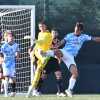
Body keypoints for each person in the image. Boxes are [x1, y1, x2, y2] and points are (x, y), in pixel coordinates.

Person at [41, 22, 100, 97]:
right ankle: (44, 53)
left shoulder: (84, 36)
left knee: (75, 74)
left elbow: (94, 39)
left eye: (78, 30)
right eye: (75, 29)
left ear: (81, 31)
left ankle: (69, 90)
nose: (76, 31)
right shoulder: (69, 35)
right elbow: (60, 43)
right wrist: (54, 46)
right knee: (58, 51)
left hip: (71, 57)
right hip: (64, 52)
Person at [26, 21, 65, 97]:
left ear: (57, 34)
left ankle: (60, 91)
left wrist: (59, 57)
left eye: (55, 33)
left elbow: (59, 51)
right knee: (43, 76)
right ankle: (36, 90)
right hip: (47, 60)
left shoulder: (57, 41)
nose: (54, 34)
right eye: (53, 32)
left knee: (59, 74)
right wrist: (32, 53)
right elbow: (37, 45)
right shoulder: (44, 36)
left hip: (54, 60)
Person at [1, 30, 20, 97]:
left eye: (12, 36)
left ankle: (13, 91)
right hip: (6, 64)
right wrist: (2, 59)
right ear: (7, 38)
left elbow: (17, 53)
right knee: (7, 77)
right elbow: (1, 54)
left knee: (13, 79)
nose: (11, 38)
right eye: (10, 36)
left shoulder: (16, 45)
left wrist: (17, 55)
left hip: (12, 64)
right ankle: (6, 93)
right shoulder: (4, 46)